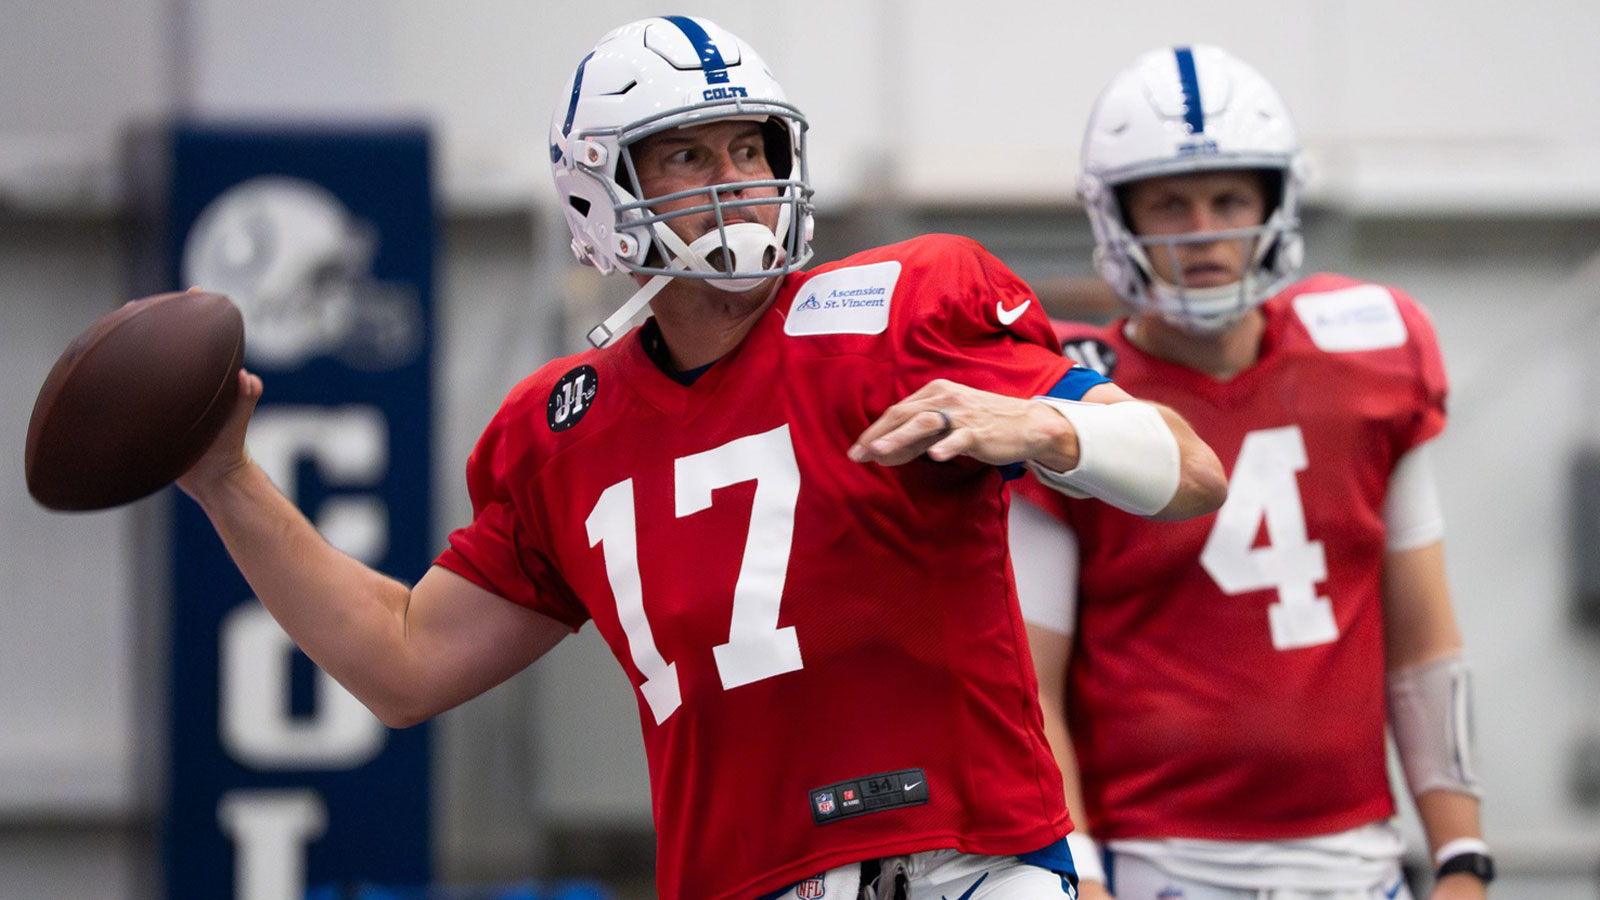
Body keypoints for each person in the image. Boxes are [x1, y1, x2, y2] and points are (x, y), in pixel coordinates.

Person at [176, 17, 1227, 900]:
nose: (736, 182)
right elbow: (402, 664)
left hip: (974, 869)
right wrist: (227, 479)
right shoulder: (562, 429)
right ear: (600, 187)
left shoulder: (900, 310)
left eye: (751, 149)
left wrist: (1055, 430)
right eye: (688, 155)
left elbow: (1189, 471)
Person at [1010, 45, 1491, 900]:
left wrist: (1461, 856)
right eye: (1170, 204)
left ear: (1276, 201)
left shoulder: (1373, 356)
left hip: (1361, 863)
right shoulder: (1075, 394)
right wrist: (1077, 871)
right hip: (1155, 867)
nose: (1204, 231)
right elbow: (1028, 679)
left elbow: (1425, 648)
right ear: (1119, 218)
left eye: (1229, 198)